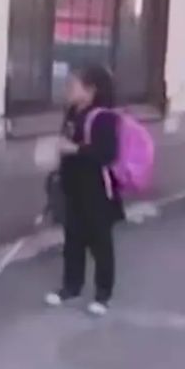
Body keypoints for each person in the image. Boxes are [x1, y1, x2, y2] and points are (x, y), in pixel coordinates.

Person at [44, 64, 124, 316]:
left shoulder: (104, 117)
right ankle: (71, 287)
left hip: (97, 190)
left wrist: (75, 149)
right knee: (73, 239)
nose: (67, 89)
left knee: (100, 243)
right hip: (73, 186)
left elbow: (107, 154)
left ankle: (103, 294)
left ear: (91, 91)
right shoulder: (71, 113)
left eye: (72, 85)